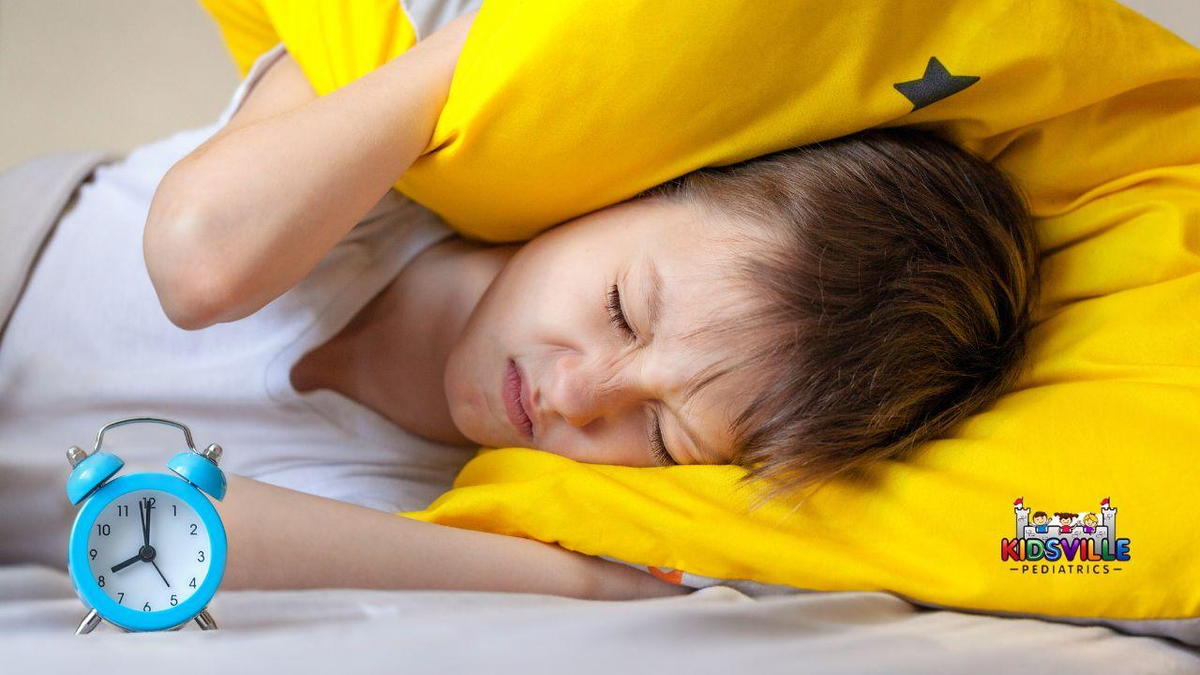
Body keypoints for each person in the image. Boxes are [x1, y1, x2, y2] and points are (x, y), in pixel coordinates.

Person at [0, 10, 1038, 597]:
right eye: (626, 308)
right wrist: (508, 47)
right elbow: (201, 262)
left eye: (664, 434)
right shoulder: (385, 149)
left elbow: (125, 517)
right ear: (632, 185)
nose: (581, 396)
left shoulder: (440, 502)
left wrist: (577, 584)